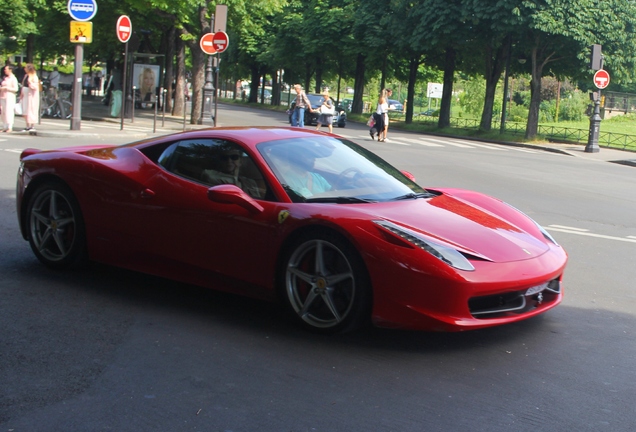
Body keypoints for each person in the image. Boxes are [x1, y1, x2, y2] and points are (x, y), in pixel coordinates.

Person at [18, 63, 39, 132]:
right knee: (25, 110)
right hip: (25, 94)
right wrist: (21, 94)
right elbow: (24, 85)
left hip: (31, 96)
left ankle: (32, 125)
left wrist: (30, 82)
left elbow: (35, 87)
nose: (24, 69)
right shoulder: (26, 75)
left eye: (26, 68)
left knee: (32, 110)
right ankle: (27, 125)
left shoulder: (34, 76)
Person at [0, 65, 19, 133]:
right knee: (3, 112)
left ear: (10, 70)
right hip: (2, 96)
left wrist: (6, 88)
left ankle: (9, 126)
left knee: (9, 111)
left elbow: (16, 89)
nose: (5, 71)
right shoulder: (5, 78)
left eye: (6, 69)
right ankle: (4, 126)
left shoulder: (13, 78)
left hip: (9, 96)